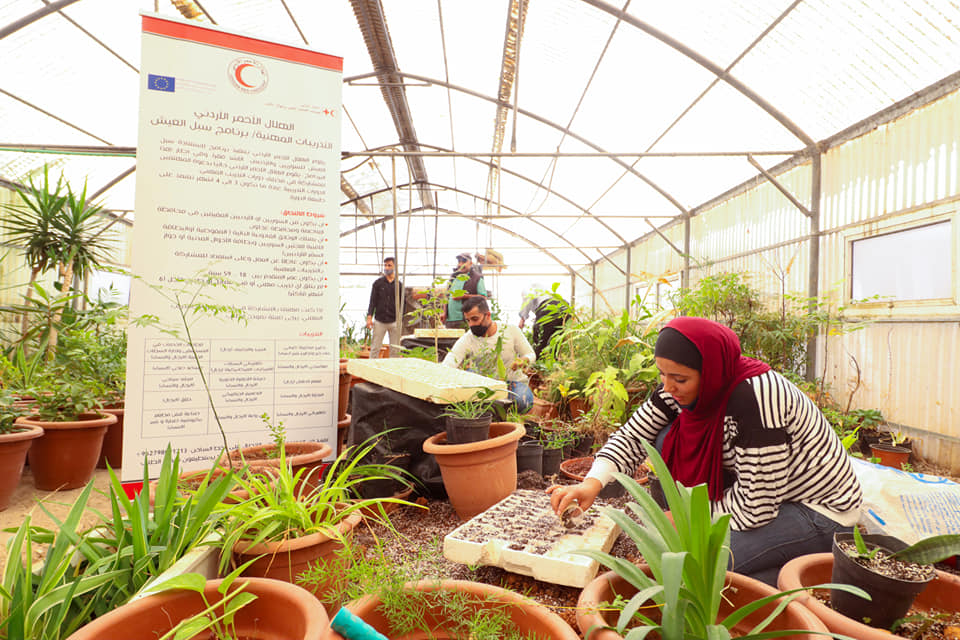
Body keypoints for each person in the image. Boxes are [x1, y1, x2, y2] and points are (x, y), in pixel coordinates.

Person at [547, 316, 862, 586]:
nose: (667, 386)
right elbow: (633, 435)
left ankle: (806, 576)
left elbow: (756, 506)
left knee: (700, 569)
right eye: (662, 374)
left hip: (816, 509)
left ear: (708, 369)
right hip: (767, 493)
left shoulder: (756, 399)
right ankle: (766, 566)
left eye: (679, 378)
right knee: (665, 438)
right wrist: (592, 482)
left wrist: (686, 519)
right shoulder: (683, 385)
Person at [442, 296, 536, 413]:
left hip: (511, 382)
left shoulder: (510, 330)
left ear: (488, 315)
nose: (471, 325)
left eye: (475, 319)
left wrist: (524, 360)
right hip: (482, 382)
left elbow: (530, 354)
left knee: (523, 401)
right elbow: (452, 357)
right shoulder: (468, 338)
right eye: (468, 320)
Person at [518, 285, 569, 359]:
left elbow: (528, 298)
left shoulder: (528, 288)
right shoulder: (544, 289)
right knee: (556, 340)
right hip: (564, 307)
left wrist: (522, 318)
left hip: (549, 307)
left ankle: (536, 362)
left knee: (539, 339)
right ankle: (554, 362)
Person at [365, 256, 402, 358]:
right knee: (375, 348)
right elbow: (372, 301)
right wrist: (369, 318)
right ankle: (371, 371)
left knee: (395, 350)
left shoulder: (399, 285)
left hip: (394, 321)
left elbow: (403, 304)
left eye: (389, 265)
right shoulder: (378, 283)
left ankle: (392, 371)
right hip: (380, 321)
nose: (386, 267)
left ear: (395, 267)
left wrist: (400, 320)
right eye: (385, 265)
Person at [444, 253, 486, 329]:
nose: (460, 264)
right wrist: (444, 312)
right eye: (459, 262)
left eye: (464, 262)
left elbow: (483, 297)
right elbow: (446, 296)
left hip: (465, 319)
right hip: (450, 320)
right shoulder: (453, 277)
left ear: (470, 263)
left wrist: (464, 296)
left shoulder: (477, 278)